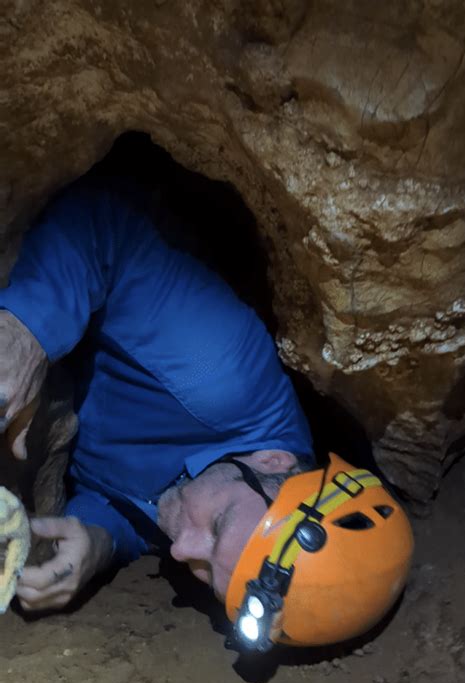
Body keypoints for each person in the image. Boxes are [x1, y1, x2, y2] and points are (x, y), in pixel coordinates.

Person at [0, 177, 314, 612]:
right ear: (273, 462)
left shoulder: (224, 493)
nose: (182, 549)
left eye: (206, 572)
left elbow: (135, 511)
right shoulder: (220, 371)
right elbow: (100, 226)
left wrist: (99, 540)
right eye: (218, 526)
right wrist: (25, 334)